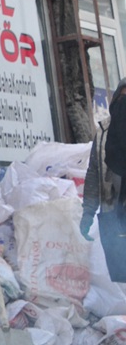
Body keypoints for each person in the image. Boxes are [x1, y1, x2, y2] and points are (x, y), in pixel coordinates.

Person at [81, 78, 126, 280]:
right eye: (122, 98)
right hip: (112, 216)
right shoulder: (104, 133)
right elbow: (93, 174)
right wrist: (88, 212)